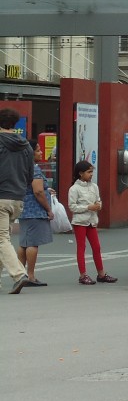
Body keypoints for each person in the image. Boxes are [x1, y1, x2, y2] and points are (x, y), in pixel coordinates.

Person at [0, 107, 36, 294]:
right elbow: (30, 175)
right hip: (18, 198)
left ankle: (18, 274)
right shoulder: (26, 145)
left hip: (1, 196)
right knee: (3, 237)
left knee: (1, 239)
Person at [67, 160, 116, 285]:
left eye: (92, 172)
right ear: (80, 173)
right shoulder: (74, 189)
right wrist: (88, 207)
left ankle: (101, 274)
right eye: (89, 172)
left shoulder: (94, 186)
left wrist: (98, 205)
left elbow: (98, 200)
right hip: (80, 222)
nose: (91, 174)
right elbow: (72, 207)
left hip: (92, 221)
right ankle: (83, 275)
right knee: (81, 248)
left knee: (96, 247)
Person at [17, 164, 53, 286]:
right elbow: (38, 191)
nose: (41, 152)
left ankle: (20, 275)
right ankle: (30, 276)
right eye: (38, 150)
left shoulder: (21, 166)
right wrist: (48, 209)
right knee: (32, 243)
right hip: (34, 210)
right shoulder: (34, 169)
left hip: (24, 209)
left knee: (24, 243)